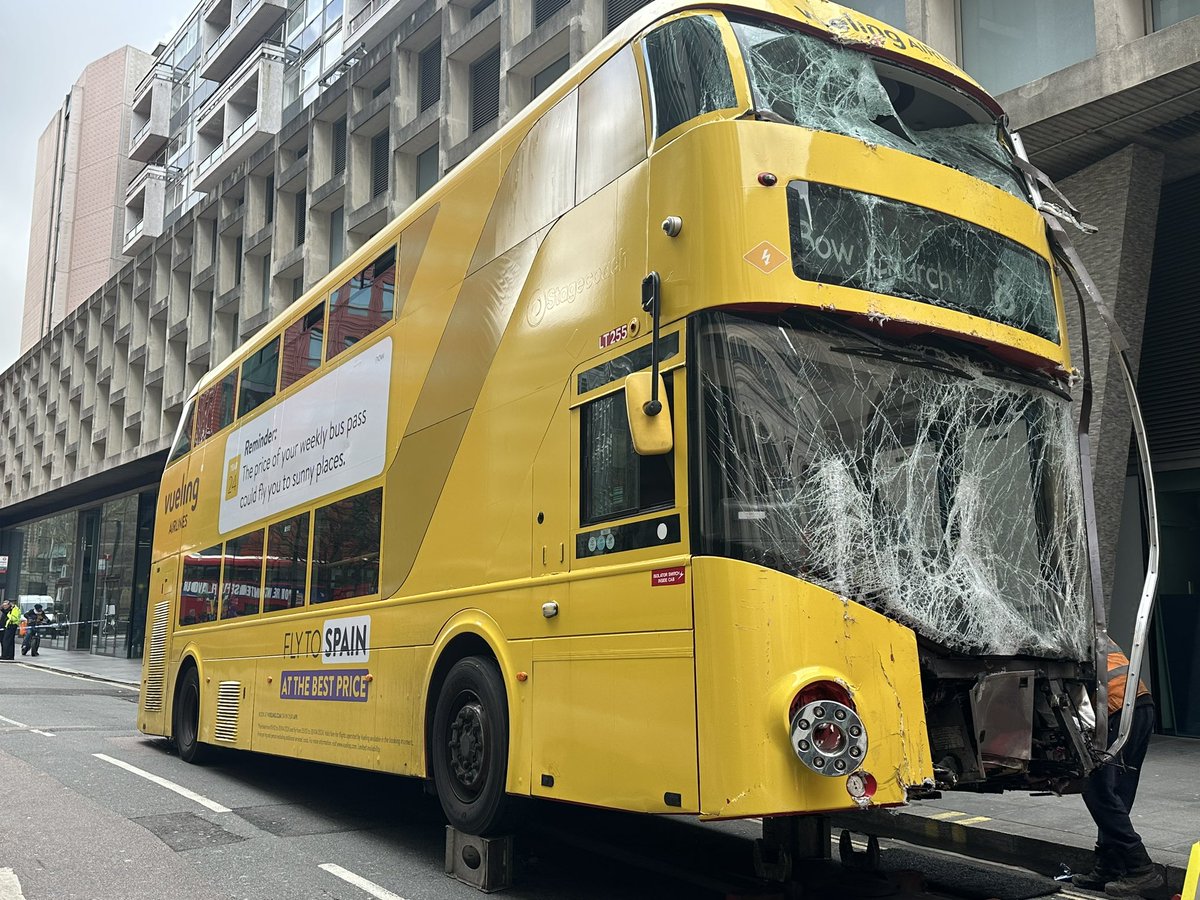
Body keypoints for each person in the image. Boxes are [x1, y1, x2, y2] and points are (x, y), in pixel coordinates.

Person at [1072, 639, 1163, 896]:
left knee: (1096, 790)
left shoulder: (1063, 630)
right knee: (1118, 794)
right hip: (1140, 703)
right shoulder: (1087, 625)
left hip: (1115, 707)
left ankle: (1140, 868)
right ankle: (1109, 865)